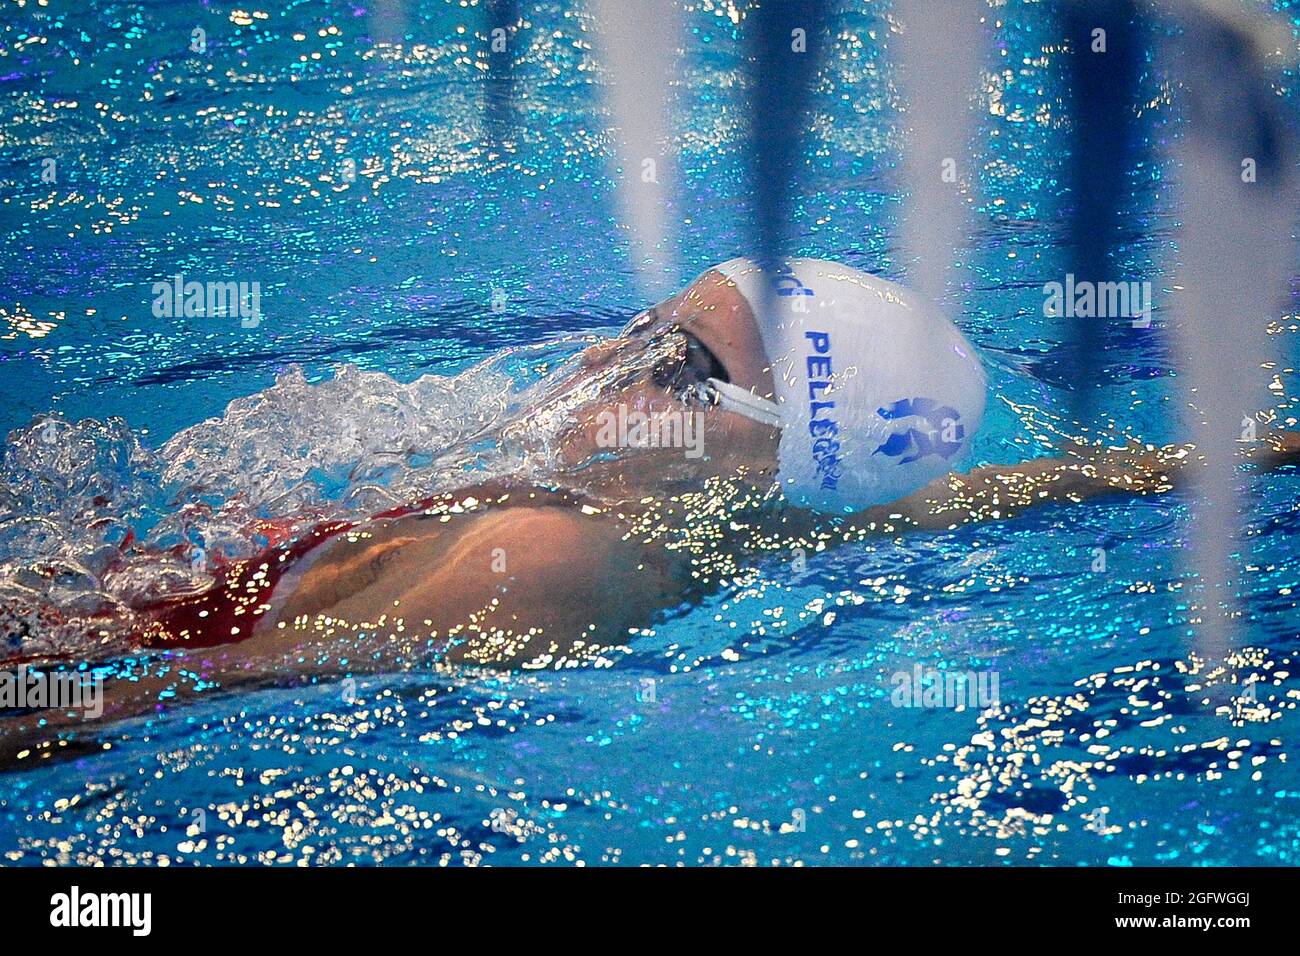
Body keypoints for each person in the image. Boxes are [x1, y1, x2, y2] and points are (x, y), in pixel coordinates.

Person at [4, 258, 1298, 766]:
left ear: (763, 456)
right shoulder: (786, 517)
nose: (606, 366)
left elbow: (174, 696)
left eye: (675, 369)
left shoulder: (543, 560)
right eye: (646, 327)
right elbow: (992, 494)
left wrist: (43, 702)